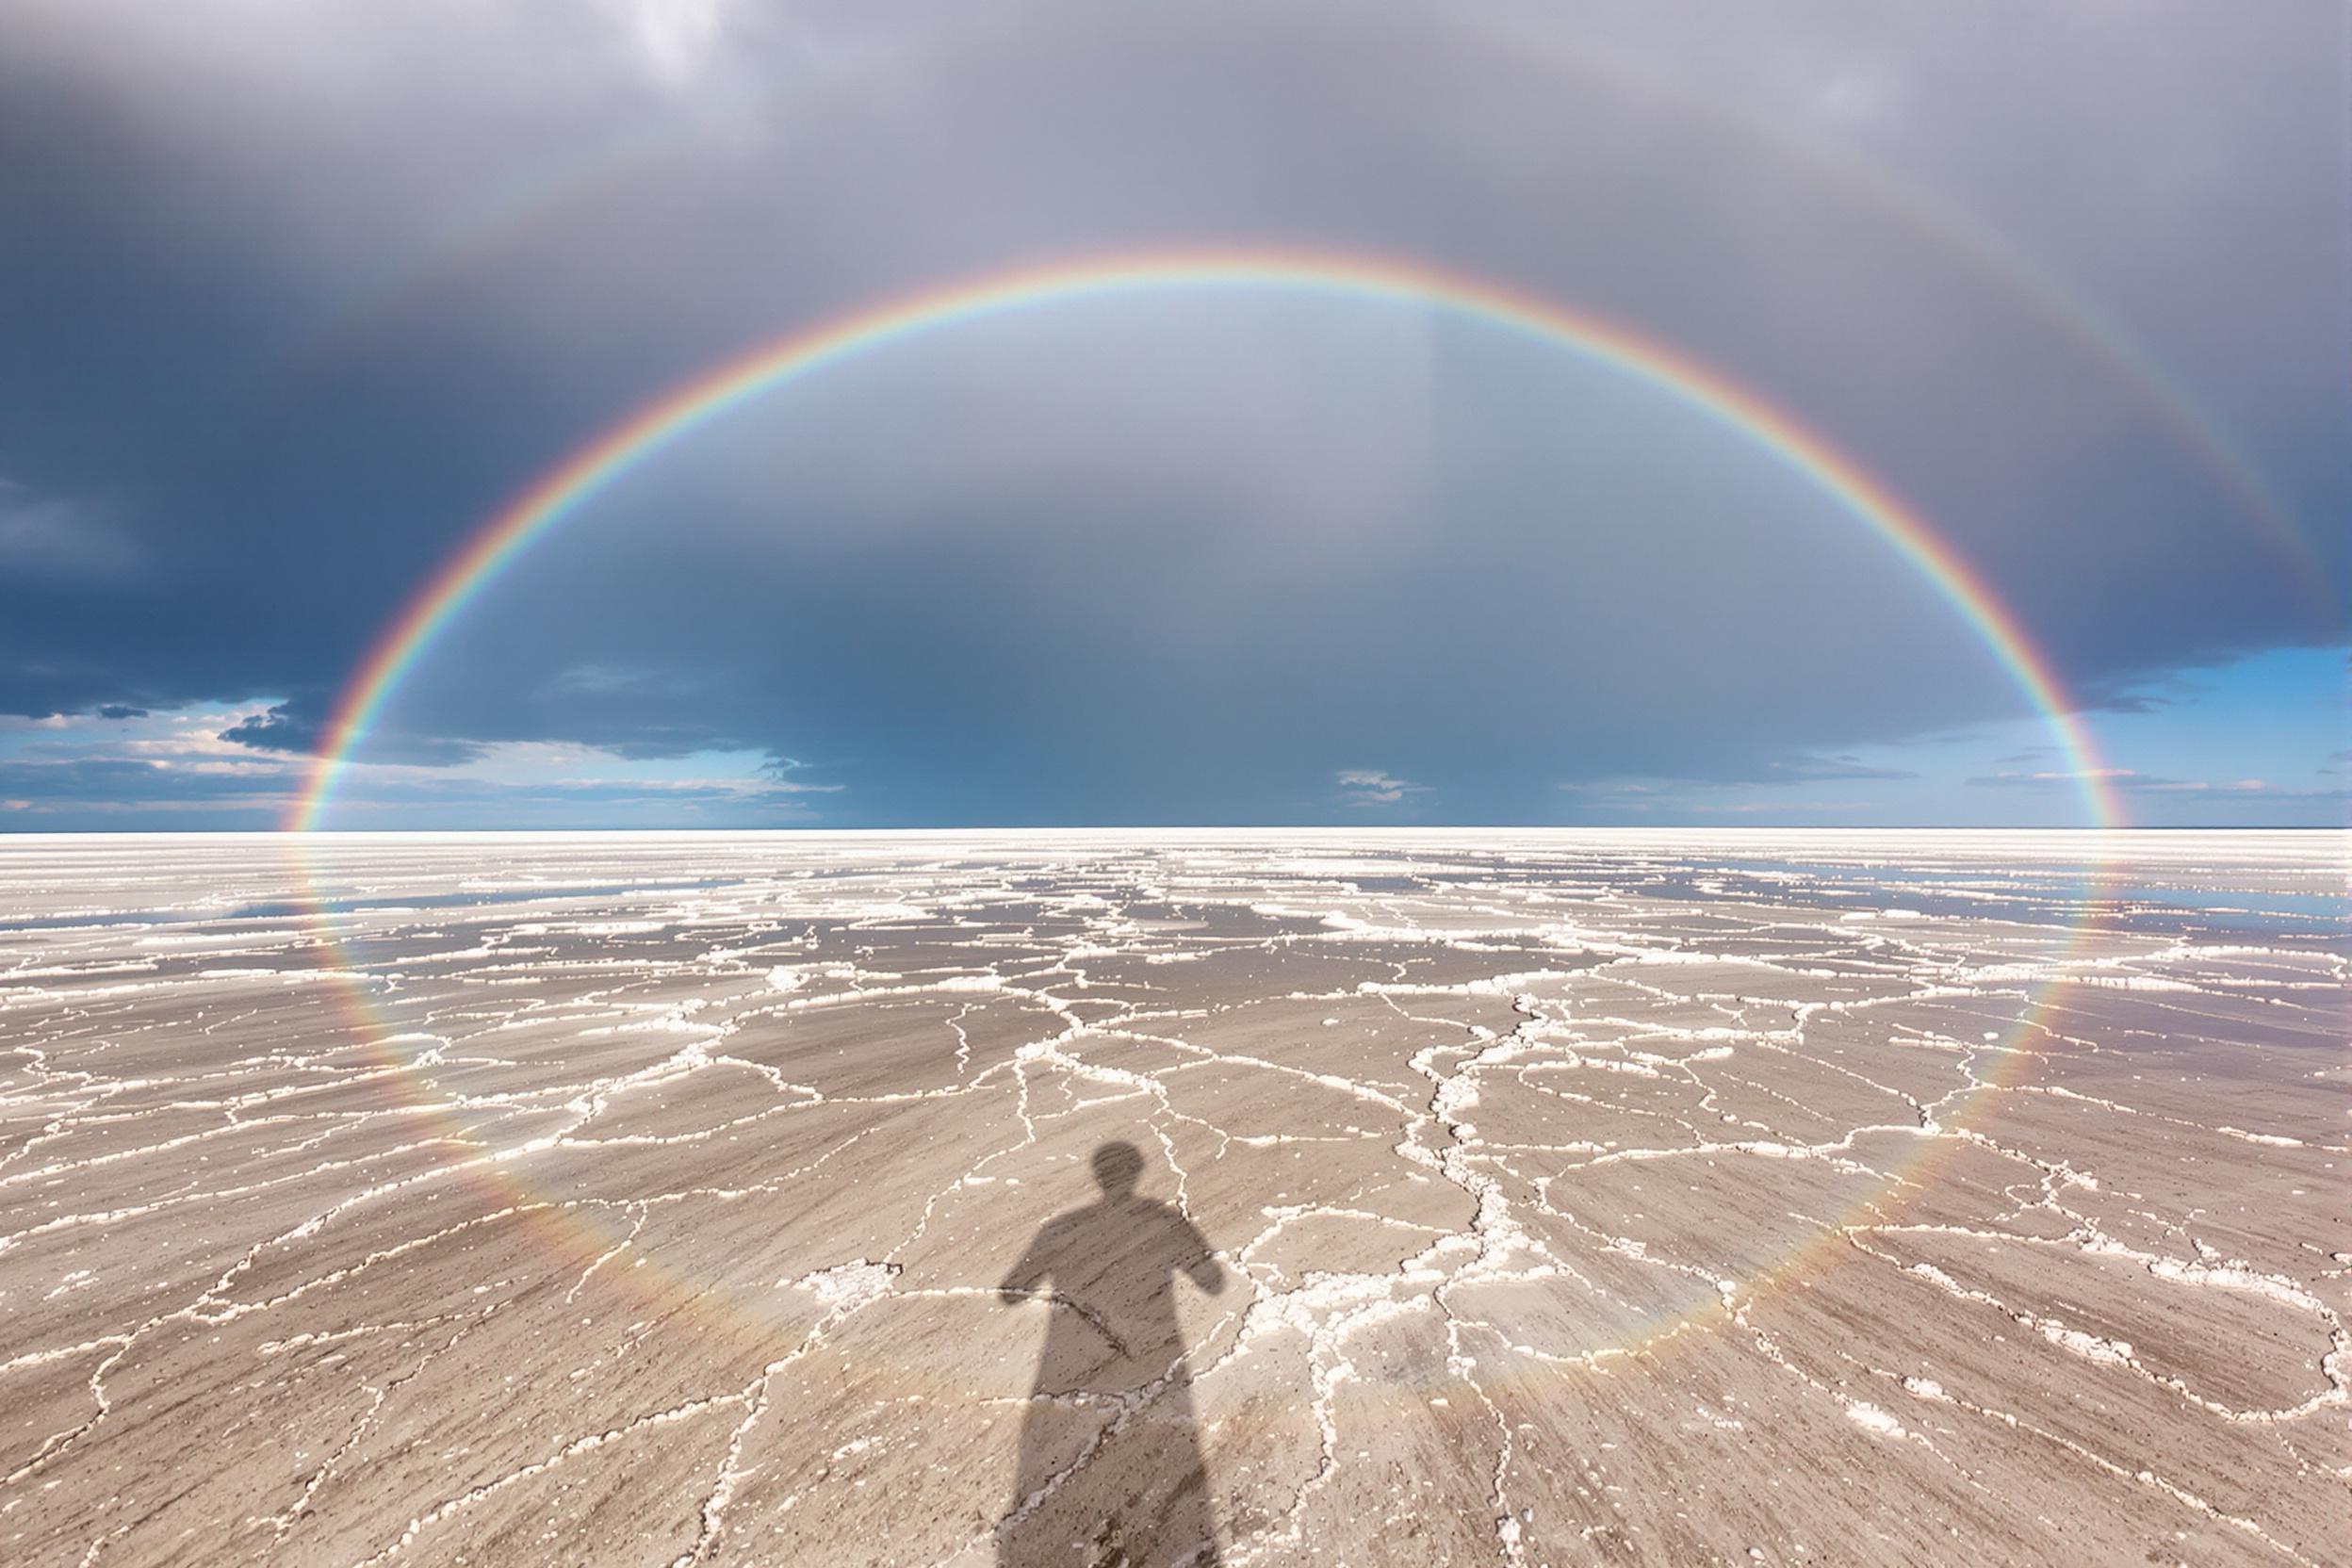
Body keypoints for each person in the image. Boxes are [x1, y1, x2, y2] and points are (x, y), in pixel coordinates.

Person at [996, 1141, 1227, 1567]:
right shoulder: (1164, 1220)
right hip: (1152, 1364)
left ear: (1098, 1175)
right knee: (1145, 1462)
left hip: (1073, 1370)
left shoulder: (1061, 1227)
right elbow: (1212, 1281)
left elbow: (1012, 1293)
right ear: (1135, 1174)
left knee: (1079, 1466)